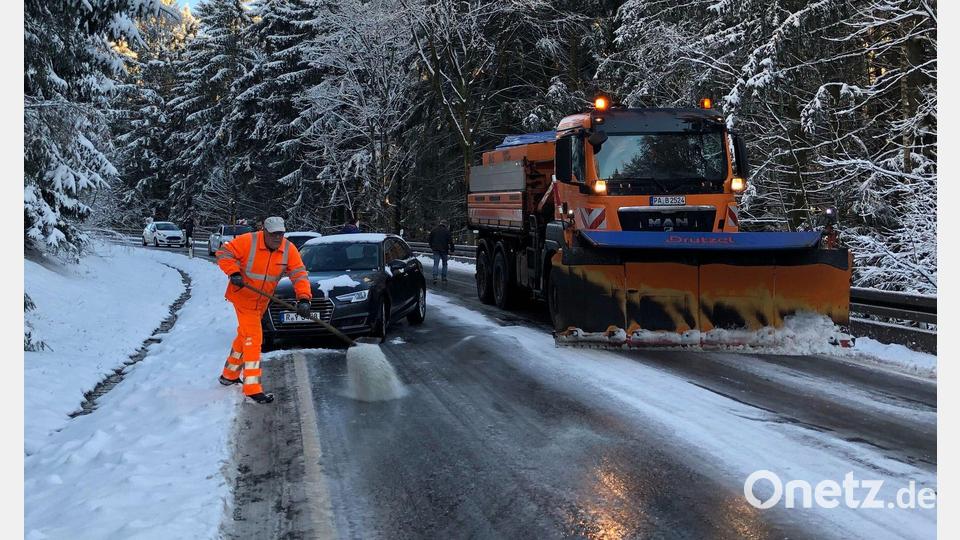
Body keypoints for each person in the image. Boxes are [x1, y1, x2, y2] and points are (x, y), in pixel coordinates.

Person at [215, 216, 312, 404]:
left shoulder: (288, 249)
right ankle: (252, 388)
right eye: (274, 234)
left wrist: (303, 299)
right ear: (264, 232)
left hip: (262, 301)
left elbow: (299, 274)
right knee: (253, 338)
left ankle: (229, 375)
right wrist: (233, 272)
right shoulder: (248, 241)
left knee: (244, 336)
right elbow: (224, 253)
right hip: (243, 297)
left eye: (281, 234)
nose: (278, 238)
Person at [428, 220, 456, 284]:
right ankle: (444, 278)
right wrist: (452, 250)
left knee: (436, 264)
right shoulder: (447, 231)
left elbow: (430, 240)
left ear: (440, 223)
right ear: (445, 224)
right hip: (444, 250)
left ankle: (435, 277)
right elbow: (451, 241)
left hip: (436, 250)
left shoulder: (434, 230)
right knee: (444, 264)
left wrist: (432, 247)